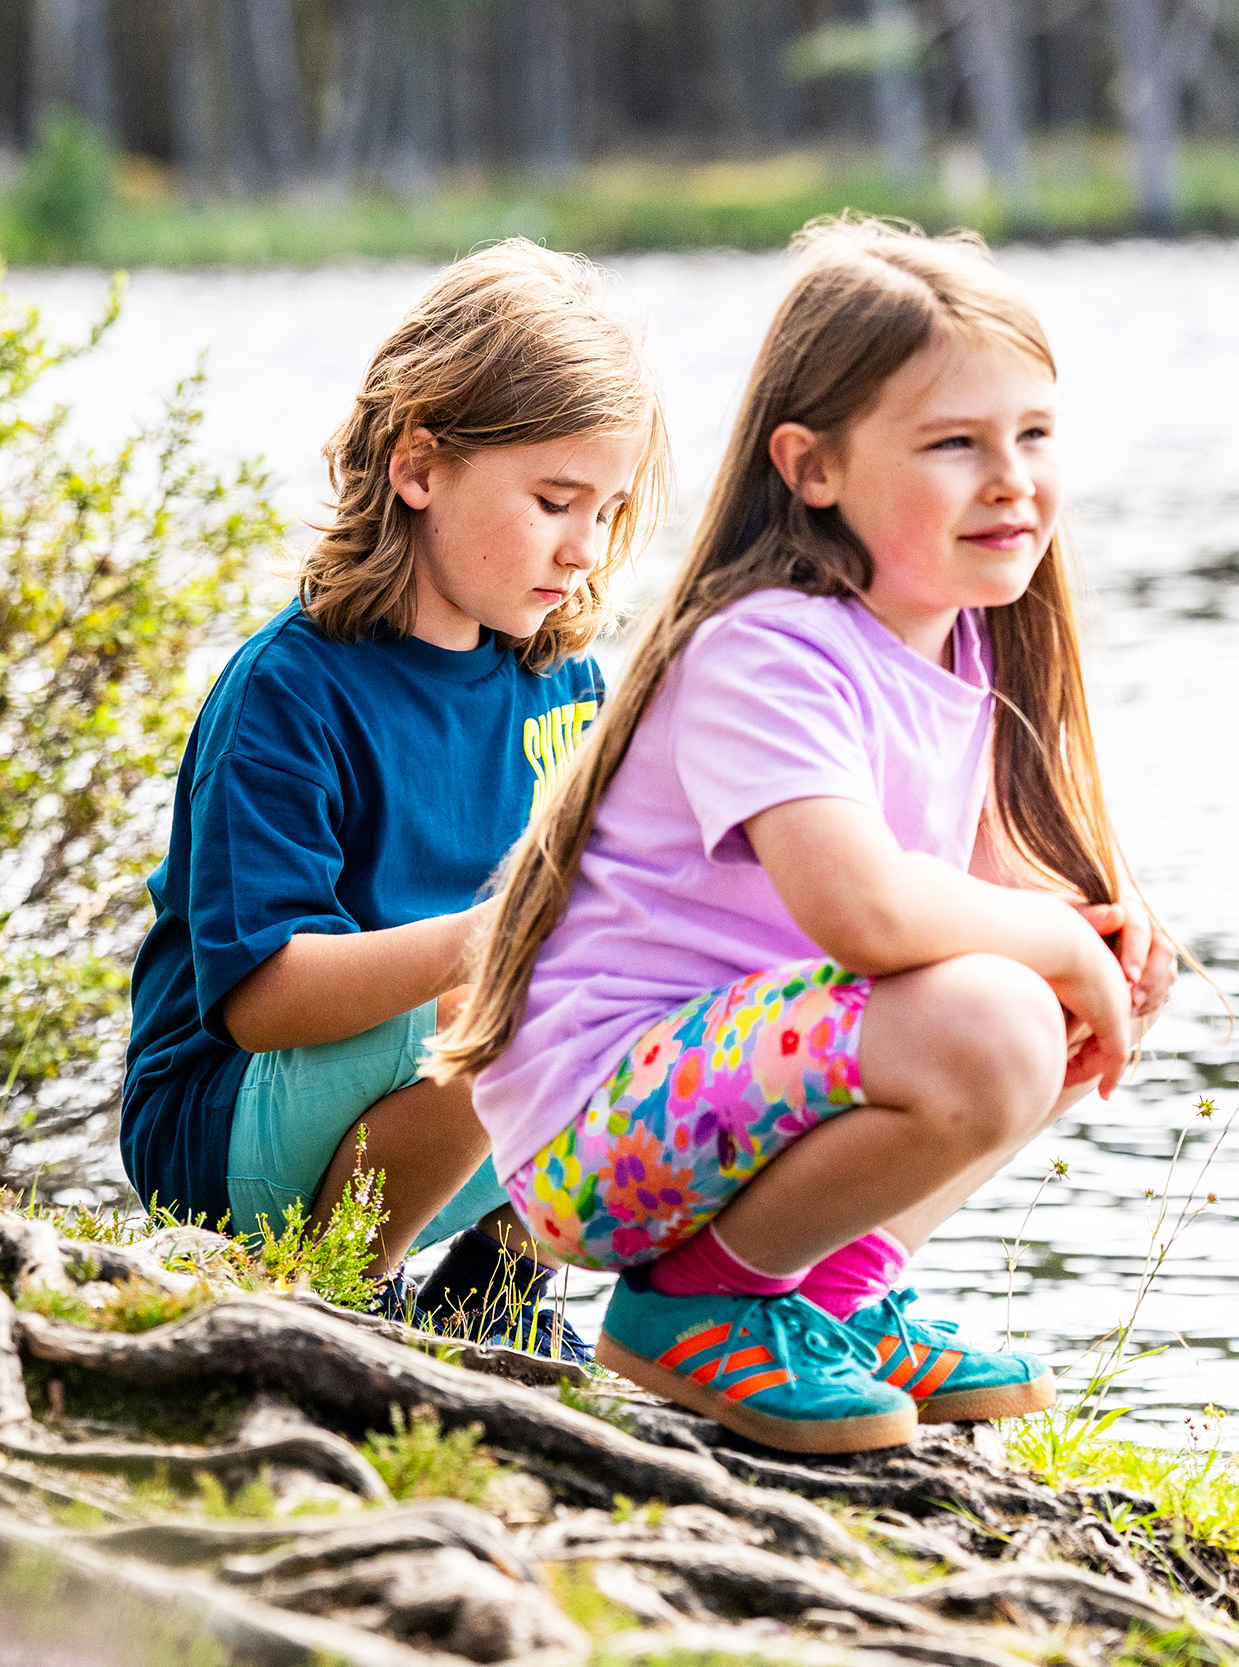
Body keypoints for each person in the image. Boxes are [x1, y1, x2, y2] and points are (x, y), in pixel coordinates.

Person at [426, 218, 1176, 1452]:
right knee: (997, 1010)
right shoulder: (766, 650)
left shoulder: (964, 644)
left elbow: (978, 885)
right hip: (594, 1132)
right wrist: (1045, 942)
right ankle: (699, 1308)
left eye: (1033, 436)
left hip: (725, 1100)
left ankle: (834, 1289)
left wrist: (1094, 934)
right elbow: (865, 912)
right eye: (953, 444)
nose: (1012, 479)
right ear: (812, 466)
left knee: (1067, 985)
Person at [119, 241, 667, 1354]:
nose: (584, 546)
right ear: (419, 466)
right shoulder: (291, 689)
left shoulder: (560, 681)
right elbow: (260, 1001)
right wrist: (489, 941)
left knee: (668, 968)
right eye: (555, 499)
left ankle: (493, 1289)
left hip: (426, 1108)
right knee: (520, 985)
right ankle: (338, 1297)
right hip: (230, 1123)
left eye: (606, 511)